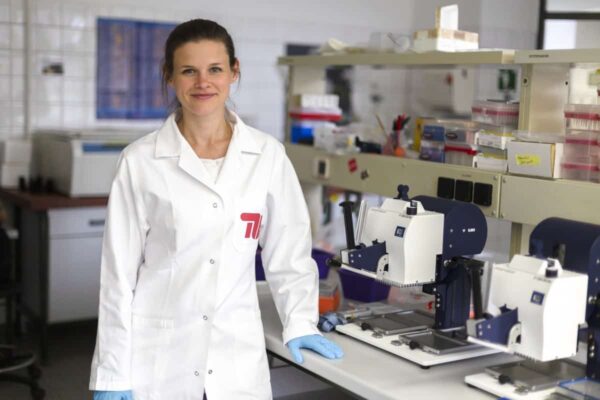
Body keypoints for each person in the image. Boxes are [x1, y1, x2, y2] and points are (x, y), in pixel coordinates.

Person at [89, 19, 343, 400]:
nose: (202, 82)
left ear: (233, 72)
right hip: (159, 361)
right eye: (188, 71)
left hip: (236, 358)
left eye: (214, 69)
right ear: (169, 76)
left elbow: (288, 254)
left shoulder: (267, 156)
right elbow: (117, 277)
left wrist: (301, 321)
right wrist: (112, 372)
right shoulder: (140, 161)